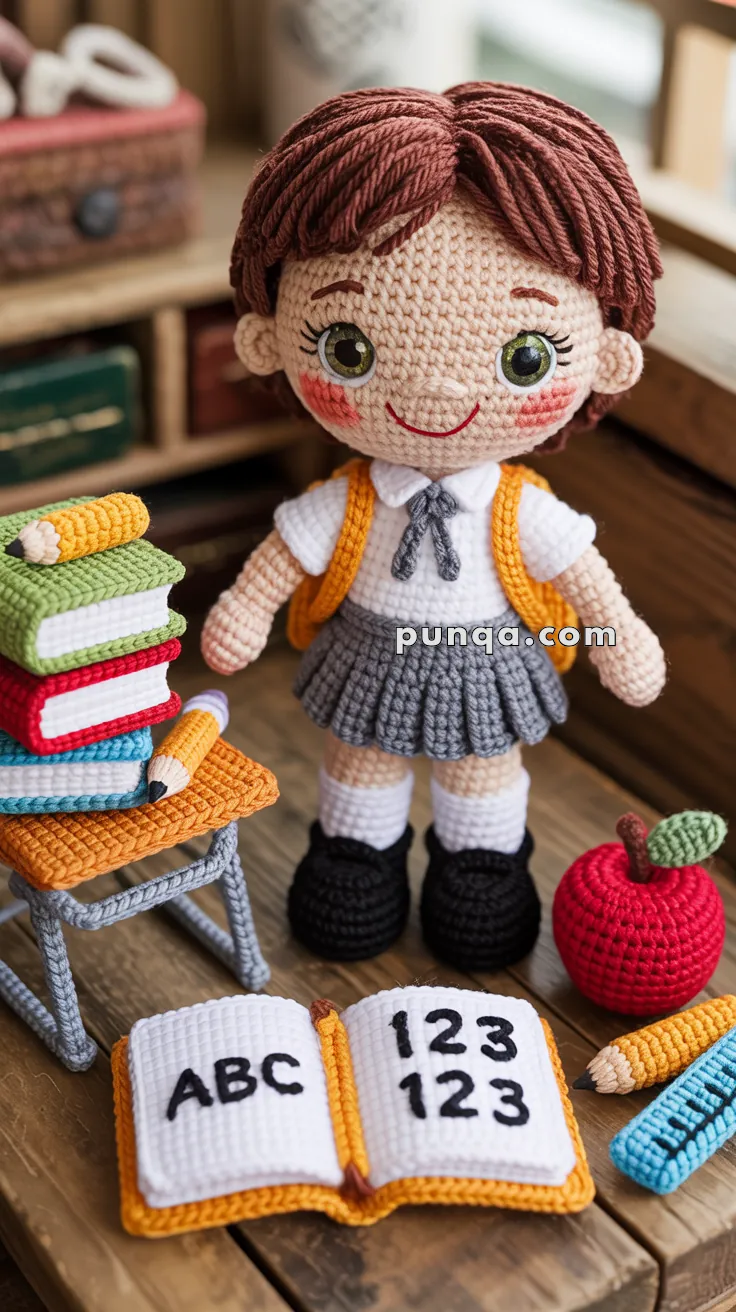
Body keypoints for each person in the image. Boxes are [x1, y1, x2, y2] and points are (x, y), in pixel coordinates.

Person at [201, 82, 666, 969]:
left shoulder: (519, 510)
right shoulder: (351, 502)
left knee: (482, 786)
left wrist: (619, 638)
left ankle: (481, 878)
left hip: (485, 670)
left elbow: (583, 581)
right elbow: (277, 560)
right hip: (372, 660)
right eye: (349, 349)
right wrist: (242, 609)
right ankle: (355, 866)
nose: (438, 398)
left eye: (526, 358)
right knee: (360, 778)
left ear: (603, 359)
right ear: (271, 338)